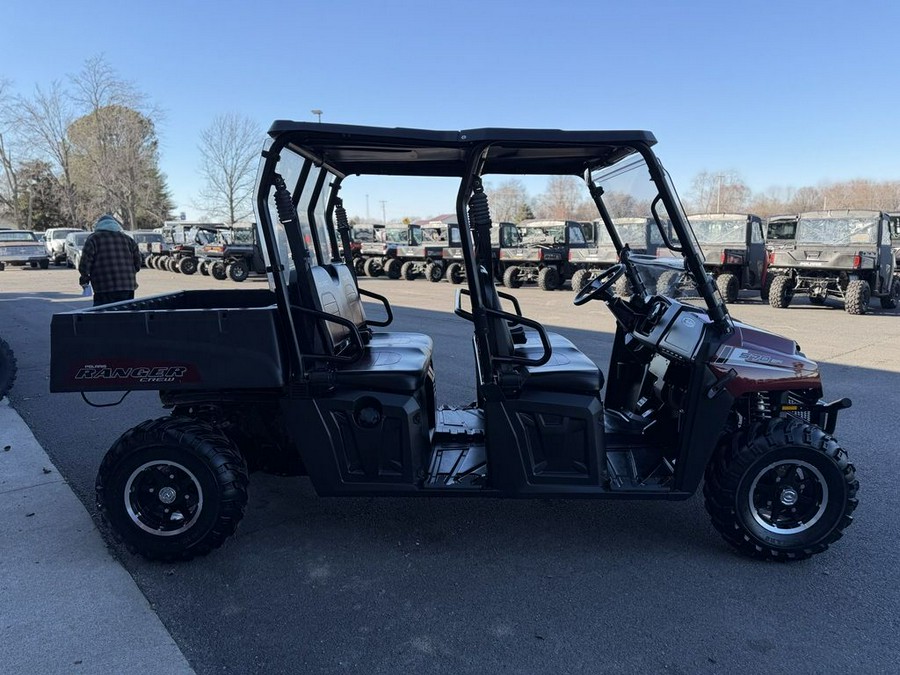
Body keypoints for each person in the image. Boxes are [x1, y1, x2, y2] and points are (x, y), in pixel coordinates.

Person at [78, 214, 142, 307]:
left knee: (104, 316)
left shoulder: (93, 239)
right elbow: (138, 263)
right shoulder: (128, 239)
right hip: (127, 286)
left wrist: (84, 280)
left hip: (103, 286)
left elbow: (85, 264)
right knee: (125, 314)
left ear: (99, 226)